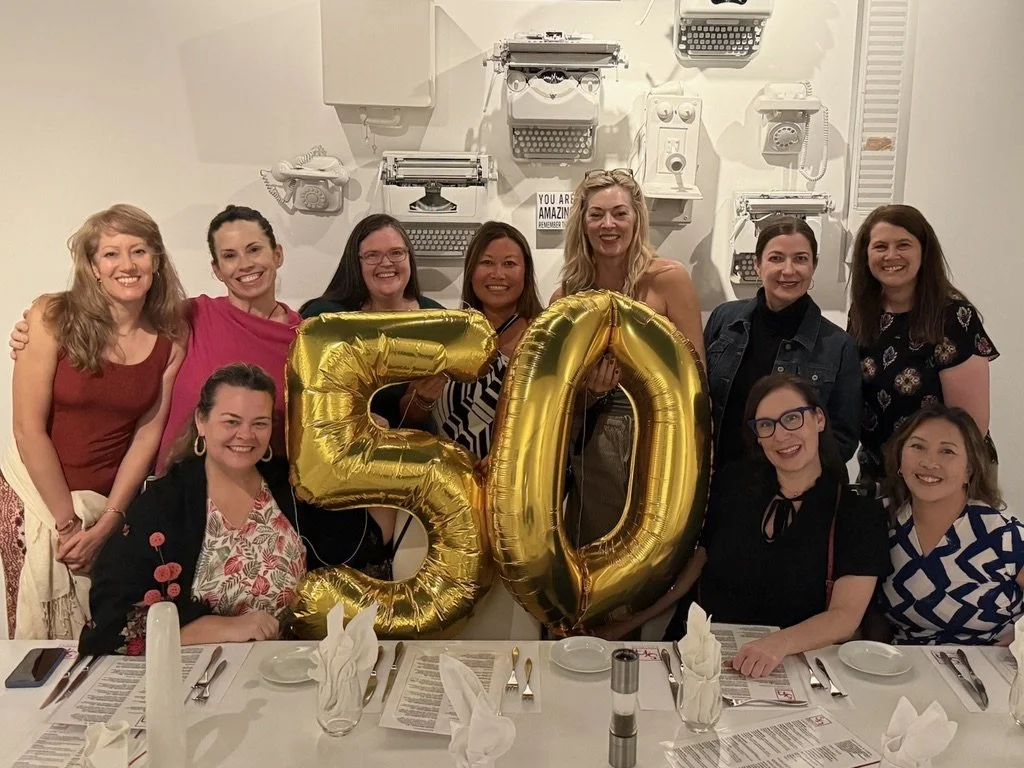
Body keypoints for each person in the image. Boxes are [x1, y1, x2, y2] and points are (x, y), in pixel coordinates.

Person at [79, 364, 380, 655]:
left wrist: (374, 446)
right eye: (232, 422)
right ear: (201, 421)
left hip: (290, 666)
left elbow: (363, 550)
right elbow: (109, 622)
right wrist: (212, 628)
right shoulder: (164, 502)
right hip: (199, 673)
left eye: (259, 423)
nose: (246, 435)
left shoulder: (293, 487)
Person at [617, 374, 889, 677]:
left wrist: (777, 645)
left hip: (790, 667)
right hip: (700, 658)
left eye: (792, 418)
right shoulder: (732, 486)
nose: (780, 435)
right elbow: (693, 570)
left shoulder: (858, 513)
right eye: (766, 425)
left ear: (819, 419)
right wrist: (629, 623)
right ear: (757, 436)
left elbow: (845, 617)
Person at [0, 204, 187, 639]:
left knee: (103, 636)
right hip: (34, 502)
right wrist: (68, 525)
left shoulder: (170, 337)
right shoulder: (50, 317)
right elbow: (27, 429)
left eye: (139, 251)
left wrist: (107, 523)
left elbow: (146, 435)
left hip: (105, 509)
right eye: (111, 254)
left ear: (156, 262)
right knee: (37, 646)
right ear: (92, 267)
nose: (127, 265)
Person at [9, 205, 304, 473]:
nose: (245, 264)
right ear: (216, 270)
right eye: (229, 256)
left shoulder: (307, 343)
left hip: (256, 491)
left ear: (277, 254)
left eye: (254, 250)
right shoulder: (190, 316)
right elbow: (118, 312)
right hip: (167, 489)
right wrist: (35, 327)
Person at [553, 168, 705, 548]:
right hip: (594, 448)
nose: (609, 224)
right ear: (583, 223)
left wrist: (700, 457)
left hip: (662, 441)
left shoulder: (669, 279)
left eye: (619, 213)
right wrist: (592, 393)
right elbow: (560, 397)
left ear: (637, 219)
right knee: (595, 552)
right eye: (597, 214)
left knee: (658, 554)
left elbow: (696, 378)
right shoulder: (566, 296)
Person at [300, 214, 443, 562]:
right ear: (357, 262)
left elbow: (420, 414)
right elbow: (309, 399)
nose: (386, 263)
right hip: (345, 470)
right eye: (373, 255)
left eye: (396, 253)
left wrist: (423, 397)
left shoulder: (433, 317)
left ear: (409, 258)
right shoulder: (328, 316)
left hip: (410, 466)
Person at [848, 204, 998, 485]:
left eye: (903, 245)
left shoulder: (954, 318)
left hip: (942, 475)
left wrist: (929, 483)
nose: (891, 255)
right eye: (880, 247)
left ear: (923, 252)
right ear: (866, 255)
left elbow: (969, 427)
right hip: (880, 471)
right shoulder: (862, 315)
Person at [704, 216, 860, 466]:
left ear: (814, 266)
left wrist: (793, 474)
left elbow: (843, 438)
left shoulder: (838, 346)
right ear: (758, 264)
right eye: (776, 258)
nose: (788, 270)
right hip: (717, 479)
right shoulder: (724, 320)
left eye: (800, 259)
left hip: (791, 485)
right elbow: (699, 401)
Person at [874, 404, 1023, 645]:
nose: (929, 462)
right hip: (903, 662)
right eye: (918, 447)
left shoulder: (1002, 533)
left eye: (947, 451)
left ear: (969, 470)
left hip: (995, 659)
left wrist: (1014, 643)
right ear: (899, 458)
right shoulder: (880, 522)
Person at [400, 221, 543, 460]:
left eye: (509, 263)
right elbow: (409, 416)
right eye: (486, 262)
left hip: (518, 477)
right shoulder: (448, 335)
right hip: (449, 475)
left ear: (526, 272)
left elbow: (560, 420)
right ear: (471, 270)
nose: (498, 274)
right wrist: (423, 399)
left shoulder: (543, 338)